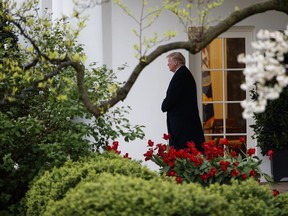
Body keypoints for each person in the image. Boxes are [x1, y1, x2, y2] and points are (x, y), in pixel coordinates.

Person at [161, 52, 204, 152]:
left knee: (182, 151)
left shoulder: (181, 75)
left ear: (176, 62)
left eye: (169, 61)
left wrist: (164, 105)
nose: (168, 64)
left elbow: (172, 97)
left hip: (182, 125)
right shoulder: (184, 74)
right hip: (184, 122)